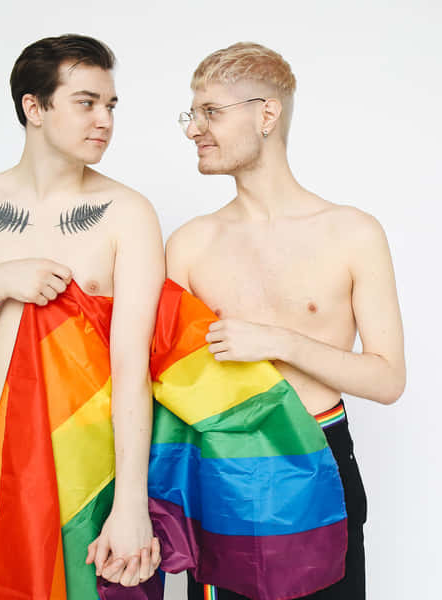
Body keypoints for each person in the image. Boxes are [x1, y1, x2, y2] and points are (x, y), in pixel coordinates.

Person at [0, 34, 163, 594]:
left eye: (111, 105)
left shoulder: (129, 214)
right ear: (34, 107)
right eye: (86, 102)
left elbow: (132, 365)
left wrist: (131, 503)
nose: (104, 119)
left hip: (96, 451)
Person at [169, 42, 406, 600]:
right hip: (227, 466)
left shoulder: (352, 232)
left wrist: (275, 342)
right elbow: (161, 380)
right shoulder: (190, 244)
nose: (193, 129)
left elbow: (388, 378)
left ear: (266, 114)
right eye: (192, 113)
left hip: (320, 450)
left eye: (211, 112)